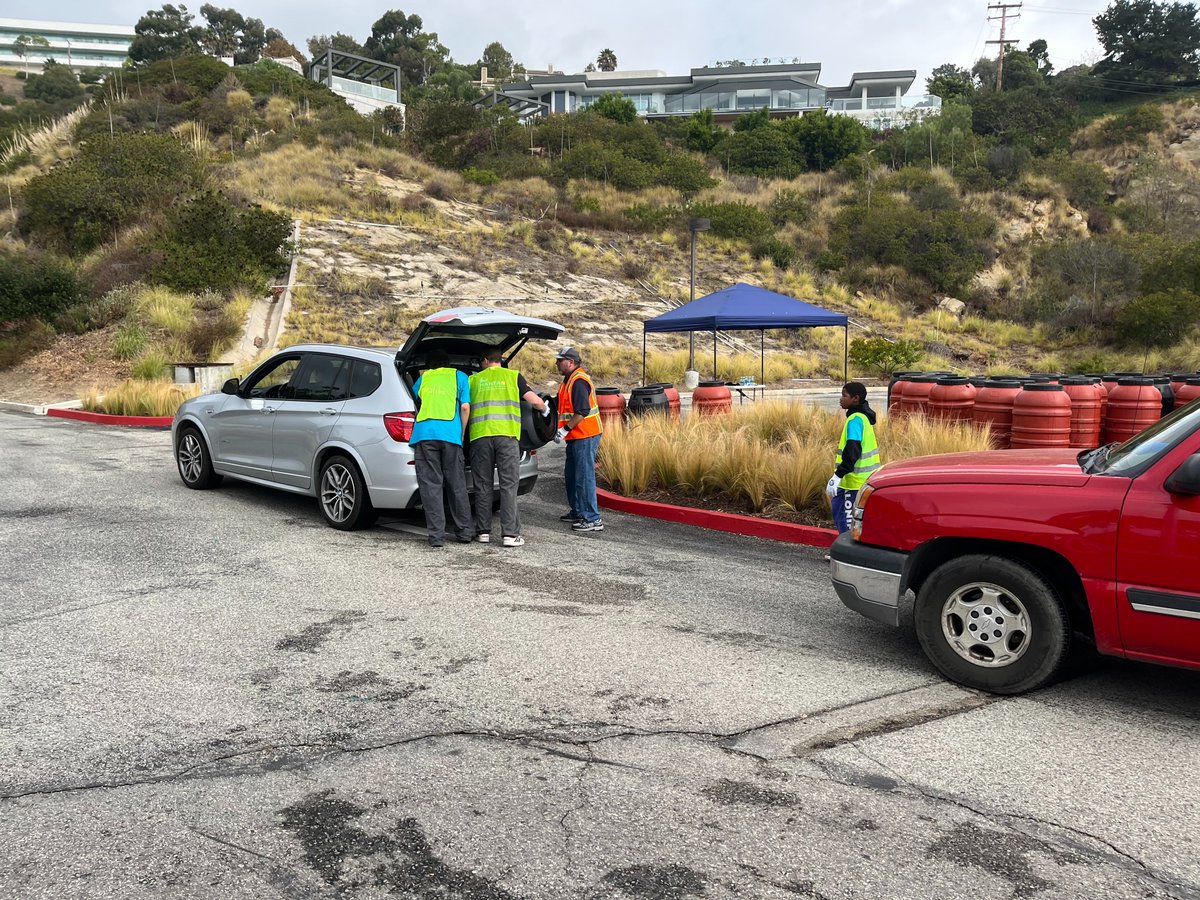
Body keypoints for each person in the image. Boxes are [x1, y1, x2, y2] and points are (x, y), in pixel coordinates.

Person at [468, 348, 550, 547]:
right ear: (500, 361)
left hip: (480, 436)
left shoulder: (474, 380)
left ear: (486, 361)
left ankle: (483, 532)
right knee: (508, 485)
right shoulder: (513, 376)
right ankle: (510, 535)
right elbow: (535, 402)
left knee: (482, 485)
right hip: (507, 436)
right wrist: (547, 410)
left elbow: (464, 406)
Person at [411, 348, 472, 548]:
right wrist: (462, 432)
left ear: (430, 365)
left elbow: (415, 400)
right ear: (448, 364)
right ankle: (463, 532)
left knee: (431, 485)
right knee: (456, 483)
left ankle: (436, 536)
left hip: (424, 434)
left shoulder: (424, 377)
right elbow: (465, 407)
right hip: (450, 435)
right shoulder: (460, 376)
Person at [552, 347, 604, 533]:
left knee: (583, 476)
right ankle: (578, 511)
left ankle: (592, 518)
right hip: (576, 436)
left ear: (571, 362)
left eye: (560, 360)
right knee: (572, 475)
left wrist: (564, 430)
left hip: (585, 435)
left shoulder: (579, 381)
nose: (556, 363)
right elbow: (560, 403)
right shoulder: (568, 381)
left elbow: (581, 411)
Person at [827, 381, 880, 535]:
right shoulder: (863, 418)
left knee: (847, 518)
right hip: (860, 480)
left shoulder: (855, 420)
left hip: (853, 481)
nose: (841, 399)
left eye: (844, 395)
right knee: (842, 511)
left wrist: (838, 475)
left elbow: (852, 452)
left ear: (855, 399)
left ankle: (846, 552)